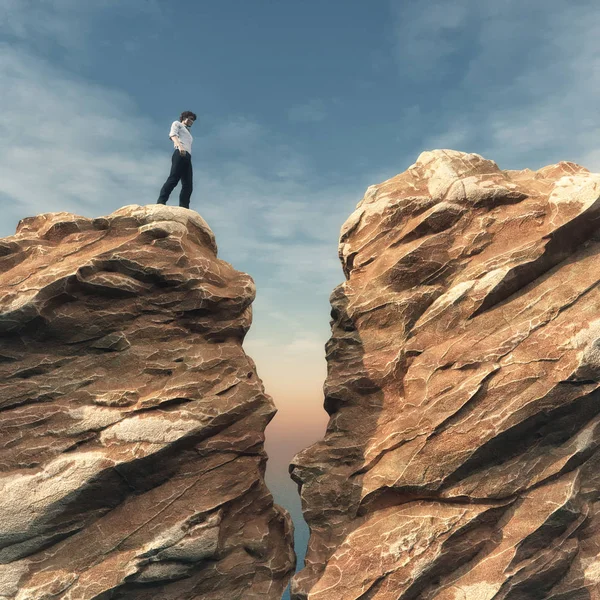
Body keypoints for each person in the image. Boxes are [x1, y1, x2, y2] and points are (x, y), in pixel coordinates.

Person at [157, 111, 197, 209]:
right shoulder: (177, 124)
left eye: (193, 120)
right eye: (190, 118)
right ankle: (161, 202)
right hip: (180, 152)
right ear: (184, 117)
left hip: (188, 156)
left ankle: (184, 207)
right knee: (173, 179)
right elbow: (172, 135)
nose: (191, 121)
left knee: (188, 185)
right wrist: (179, 146)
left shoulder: (189, 132)